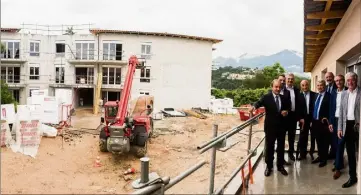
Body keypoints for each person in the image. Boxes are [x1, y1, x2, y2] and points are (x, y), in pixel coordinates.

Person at [249, 79, 290, 177]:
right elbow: (258, 103)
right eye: (276, 87)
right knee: (270, 147)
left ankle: (280, 166)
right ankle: (269, 166)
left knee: (281, 147)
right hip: (270, 127)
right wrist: (253, 107)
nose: (278, 89)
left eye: (279, 87)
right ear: (272, 87)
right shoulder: (266, 97)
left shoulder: (284, 98)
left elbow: (288, 107)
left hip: (281, 127)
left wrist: (286, 112)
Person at [337, 72, 360, 188]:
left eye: (352, 80)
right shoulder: (344, 94)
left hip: (358, 126)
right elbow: (341, 112)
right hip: (347, 126)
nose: (350, 82)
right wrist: (340, 128)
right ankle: (353, 177)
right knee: (351, 153)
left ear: (356, 80)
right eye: (348, 80)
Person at [329, 74, 348, 179]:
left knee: (340, 144)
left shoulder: (347, 91)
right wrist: (331, 123)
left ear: (343, 81)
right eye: (336, 81)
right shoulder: (333, 92)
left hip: (344, 121)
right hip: (335, 120)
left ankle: (338, 168)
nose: (338, 82)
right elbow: (331, 108)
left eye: (340, 80)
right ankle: (338, 162)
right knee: (335, 144)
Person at [311, 80, 331, 167]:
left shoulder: (329, 96)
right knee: (318, 140)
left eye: (321, 85)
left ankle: (324, 159)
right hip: (315, 121)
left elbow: (331, 110)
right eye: (318, 85)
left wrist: (328, 119)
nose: (319, 87)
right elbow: (314, 108)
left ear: (325, 86)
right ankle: (320, 156)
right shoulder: (316, 95)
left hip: (324, 123)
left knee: (325, 141)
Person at [296, 80, 317, 160]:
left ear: (309, 85)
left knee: (313, 137)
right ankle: (302, 154)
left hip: (312, 119)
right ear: (301, 86)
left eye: (306, 85)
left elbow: (316, 108)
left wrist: (313, 120)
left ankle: (311, 153)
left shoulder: (314, 95)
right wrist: (300, 118)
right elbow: (297, 109)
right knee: (303, 137)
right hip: (303, 120)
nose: (305, 87)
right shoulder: (299, 96)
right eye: (303, 85)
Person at [284, 73, 303, 161]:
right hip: (284, 116)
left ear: (293, 80)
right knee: (282, 136)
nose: (290, 80)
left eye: (292, 79)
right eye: (289, 79)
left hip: (293, 116)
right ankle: (281, 156)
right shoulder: (282, 88)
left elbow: (299, 104)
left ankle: (291, 154)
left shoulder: (296, 90)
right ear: (286, 79)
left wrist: (299, 117)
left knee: (292, 136)